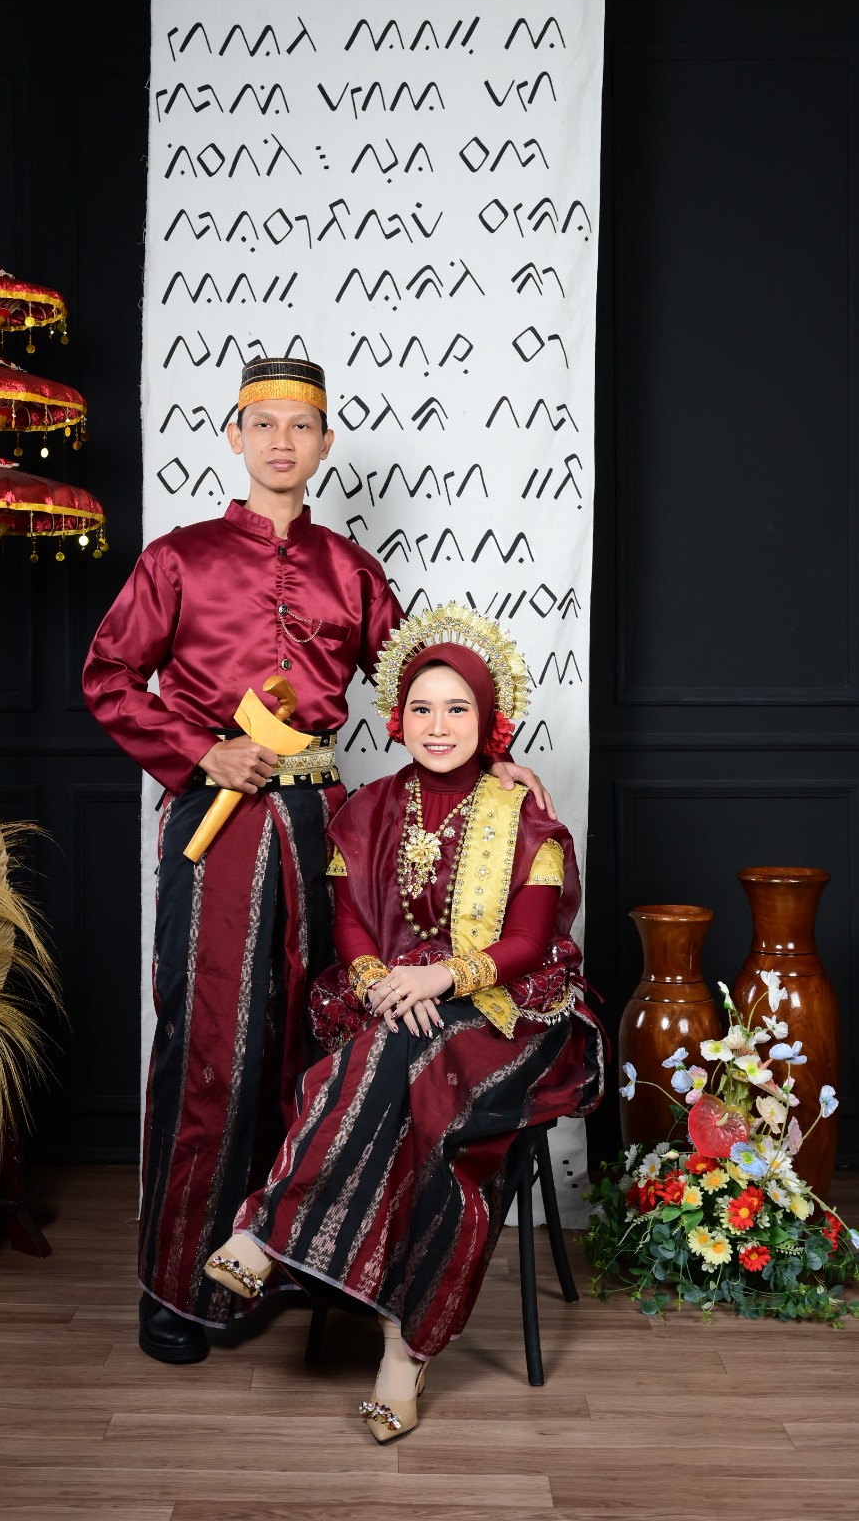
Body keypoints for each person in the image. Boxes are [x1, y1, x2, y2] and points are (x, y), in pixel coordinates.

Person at [82, 360, 554, 1364]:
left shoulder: (352, 571)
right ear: (233, 435)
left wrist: (501, 760)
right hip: (219, 819)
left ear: (326, 442)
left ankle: (283, 1259)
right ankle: (178, 1285)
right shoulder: (177, 559)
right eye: (263, 424)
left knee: (315, 1033)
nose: (281, 442)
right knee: (213, 1042)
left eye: (301, 426)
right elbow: (108, 675)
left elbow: (424, 684)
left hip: (328, 829)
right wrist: (199, 750)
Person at [204, 604, 604, 1439]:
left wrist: (439, 975)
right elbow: (350, 920)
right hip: (398, 999)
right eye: (422, 708)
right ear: (397, 716)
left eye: (458, 708)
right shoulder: (369, 808)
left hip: (510, 1015)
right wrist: (382, 978)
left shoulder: (525, 817)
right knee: (407, 1072)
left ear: (490, 721)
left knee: (405, 1065)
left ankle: (271, 1231)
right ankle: (402, 1348)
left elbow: (529, 942)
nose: (439, 725)